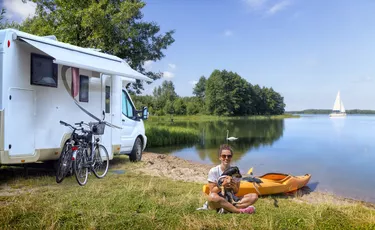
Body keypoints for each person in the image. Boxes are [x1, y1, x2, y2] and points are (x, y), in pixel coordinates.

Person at [206, 144, 258, 214]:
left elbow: (236, 191)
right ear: (220, 157)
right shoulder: (214, 171)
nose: (226, 158)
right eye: (224, 156)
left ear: (231, 157)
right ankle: (239, 211)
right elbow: (212, 191)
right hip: (217, 199)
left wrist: (233, 186)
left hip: (230, 199)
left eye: (229, 156)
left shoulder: (235, 171)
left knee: (254, 196)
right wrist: (222, 185)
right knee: (212, 197)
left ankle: (226, 209)